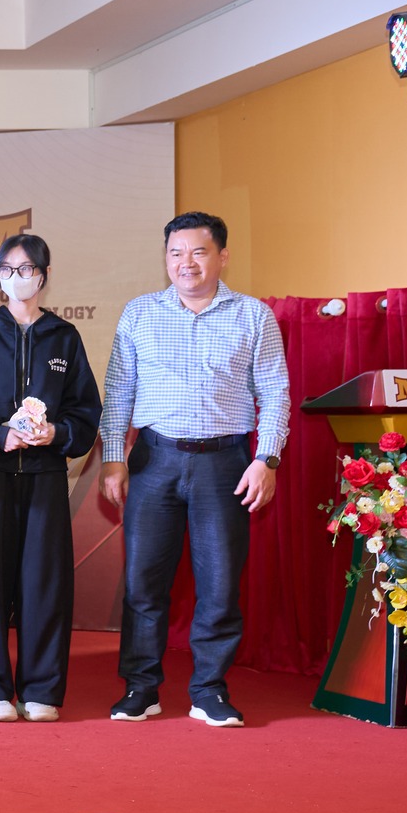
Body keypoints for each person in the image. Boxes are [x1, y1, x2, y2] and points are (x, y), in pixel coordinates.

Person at [98, 211, 290, 728]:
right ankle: (141, 688)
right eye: (176, 252)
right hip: (154, 460)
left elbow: (275, 393)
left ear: (222, 256)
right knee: (143, 583)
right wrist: (113, 458)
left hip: (225, 464)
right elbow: (119, 390)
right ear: (165, 258)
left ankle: (209, 690)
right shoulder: (140, 313)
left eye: (198, 252)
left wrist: (266, 458)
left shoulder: (253, 316)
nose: (186, 263)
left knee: (220, 585)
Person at [0, 234, 101, 723]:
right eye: (8, 269)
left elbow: (85, 412)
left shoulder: (64, 337)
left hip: (45, 477)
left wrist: (57, 433)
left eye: (28, 268)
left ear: (44, 276)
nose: (19, 277)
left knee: (44, 583)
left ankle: (41, 689)